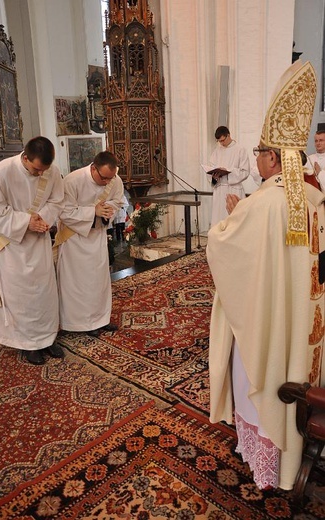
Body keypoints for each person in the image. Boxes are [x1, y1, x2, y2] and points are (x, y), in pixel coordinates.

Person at [206, 60, 324, 491]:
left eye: (259, 151)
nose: (256, 158)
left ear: (273, 156)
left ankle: (268, 456)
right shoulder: (311, 195)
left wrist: (234, 218)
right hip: (303, 318)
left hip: (268, 319)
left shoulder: (265, 201)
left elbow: (223, 247)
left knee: (257, 368)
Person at [0, 136, 65, 365]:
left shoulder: (51, 171)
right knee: (22, 297)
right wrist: (26, 222)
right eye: (36, 169)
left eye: (44, 170)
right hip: (12, 246)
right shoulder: (0, 173)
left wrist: (44, 219)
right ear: (25, 157)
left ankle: (47, 338)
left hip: (38, 240)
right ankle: (28, 345)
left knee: (44, 293)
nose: (40, 174)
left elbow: (58, 201)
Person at [56, 150, 125, 337]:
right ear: (93, 168)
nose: (106, 183)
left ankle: (100, 319)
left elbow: (117, 202)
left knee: (98, 281)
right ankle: (80, 323)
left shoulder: (114, 180)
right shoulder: (72, 181)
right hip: (75, 240)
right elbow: (64, 212)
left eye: (110, 179)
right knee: (79, 284)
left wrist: (107, 211)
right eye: (103, 178)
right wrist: (92, 211)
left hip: (97, 236)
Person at [205, 126, 250, 226]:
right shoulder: (217, 151)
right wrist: (214, 178)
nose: (221, 143)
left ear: (228, 135)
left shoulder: (240, 150)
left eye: (223, 140)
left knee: (235, 222)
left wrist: (229, 172)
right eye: (219, 141)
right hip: (219, 190)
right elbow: (211, 168)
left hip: (233, 190)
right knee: (218, 222)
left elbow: (245, 171)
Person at [305, 123, 325, 191]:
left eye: (321, 140)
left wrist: (319, 173)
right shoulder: (309, 158)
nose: (318, 143)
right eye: (316, 141)